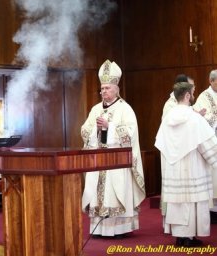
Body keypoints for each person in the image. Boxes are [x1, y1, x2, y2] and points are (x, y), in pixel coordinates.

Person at [81, 59, 145, 237]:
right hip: (99, 160)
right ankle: (99, 229)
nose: (103, 92)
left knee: (114, 192)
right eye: (102, 88)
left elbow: (131, 134)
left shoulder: (126, 109)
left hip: (116, 162)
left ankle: (120, 229)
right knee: (98, 192)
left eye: (107, 88)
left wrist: (110, 127)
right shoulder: (95, 109)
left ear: (116, 88)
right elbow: (85, 131)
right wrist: (96, 129)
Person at [155, 82, 217, 247]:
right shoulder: (194, 117)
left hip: (174, 171)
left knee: (178, 204)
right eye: (193, 92)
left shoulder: (167, 118)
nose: (194, 95)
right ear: (188, 95)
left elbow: (160, 143)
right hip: (193, 168)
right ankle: (189, 237)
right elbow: (208, 145)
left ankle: (180, 236)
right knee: (192, 202)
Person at [193, 70, 217, 217]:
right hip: (212, 141)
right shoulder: (204, 97)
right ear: (211, 81)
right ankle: (213, 210)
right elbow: (199, 117)